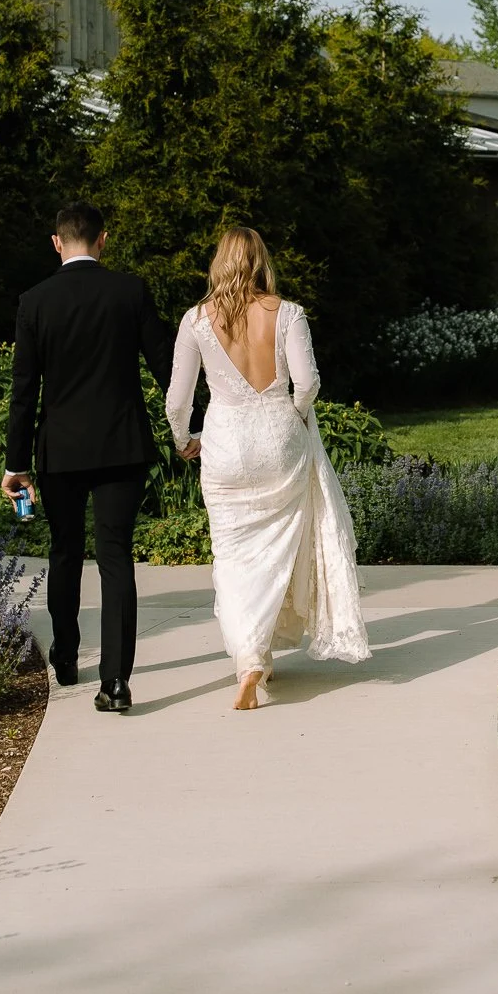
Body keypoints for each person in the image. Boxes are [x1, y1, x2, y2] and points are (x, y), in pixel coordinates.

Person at [164, 226, 369, 709]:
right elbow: (309, 382)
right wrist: (292, 418)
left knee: (232, 555)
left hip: (226, 444)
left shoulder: (196, 320)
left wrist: (182, 440)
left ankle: (251, 657)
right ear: (261, 261)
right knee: (278, 551)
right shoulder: (289, 314)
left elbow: (178, 401)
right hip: (280, 440)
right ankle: (258, 653)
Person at [3, 201, 173, 714]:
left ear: (57, 243)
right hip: (123, 446)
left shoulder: (35, 301)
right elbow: (168, 365)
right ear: (104, 239)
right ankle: (116, 681)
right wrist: (190, 428)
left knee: (65, 550)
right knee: (116, 555)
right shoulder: (130, 291)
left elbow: (23, 390)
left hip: (62, 452)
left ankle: (68, 653)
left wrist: (16, 463)